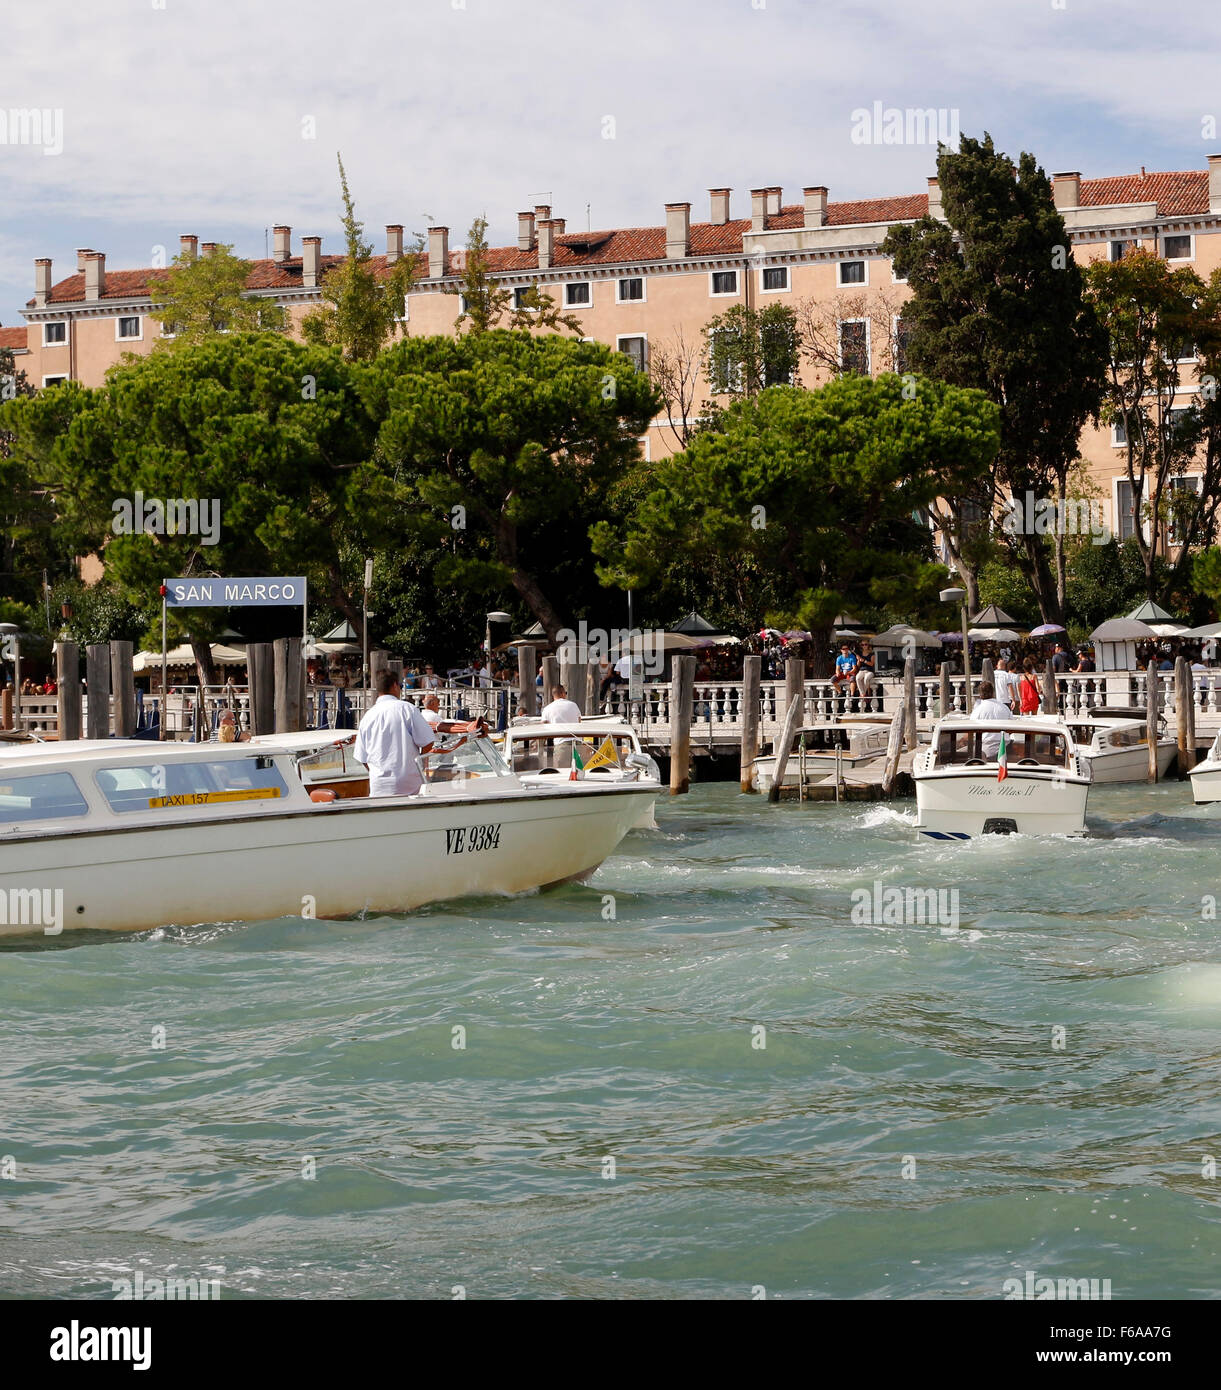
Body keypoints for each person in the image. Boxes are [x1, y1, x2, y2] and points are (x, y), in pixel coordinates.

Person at [353, 670, 436, 796]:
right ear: (395, 685)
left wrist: (377, 772)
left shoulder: (367, 717)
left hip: (378, 787)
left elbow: (362, 757)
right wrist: (421, 767)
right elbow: (428, 742)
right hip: (409, 785)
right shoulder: (407, 709)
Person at [970, 680, 1012, 758]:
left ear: (980, 694)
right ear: (993, 693)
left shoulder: (978, 710)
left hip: (984, 749)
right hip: (1005, 748)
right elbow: (1011, 729)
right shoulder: (1004, 707)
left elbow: (971, 732)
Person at [853, 641, 877, 710]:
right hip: (861, 670)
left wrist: (864, 661)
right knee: (857, 678)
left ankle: (864, 693)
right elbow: (858, 666)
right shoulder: (860, 654)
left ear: (868, 645)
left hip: (869, 671)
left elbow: (872, 664)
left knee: (866, 679)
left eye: (865, 644)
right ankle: (863, 694)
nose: (864, 646)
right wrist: (858, 660)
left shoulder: (872, 654)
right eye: (862, 645)